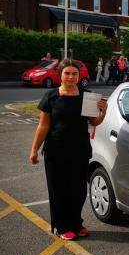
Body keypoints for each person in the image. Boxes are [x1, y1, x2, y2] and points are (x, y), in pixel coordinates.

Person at [29, 59, 108, 240]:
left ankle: (76, 224)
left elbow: (93, 122)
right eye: (67, 73)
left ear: (79, 76)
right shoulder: (51, 97)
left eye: (74, 74)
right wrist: (34, 150)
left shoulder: (87, 96)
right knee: (59, 190)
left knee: (78, 191)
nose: (71, 77)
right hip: (56, 151)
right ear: (60, 75)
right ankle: (62, 226)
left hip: (79, 150)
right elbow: (43, 126)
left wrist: (103, 112)